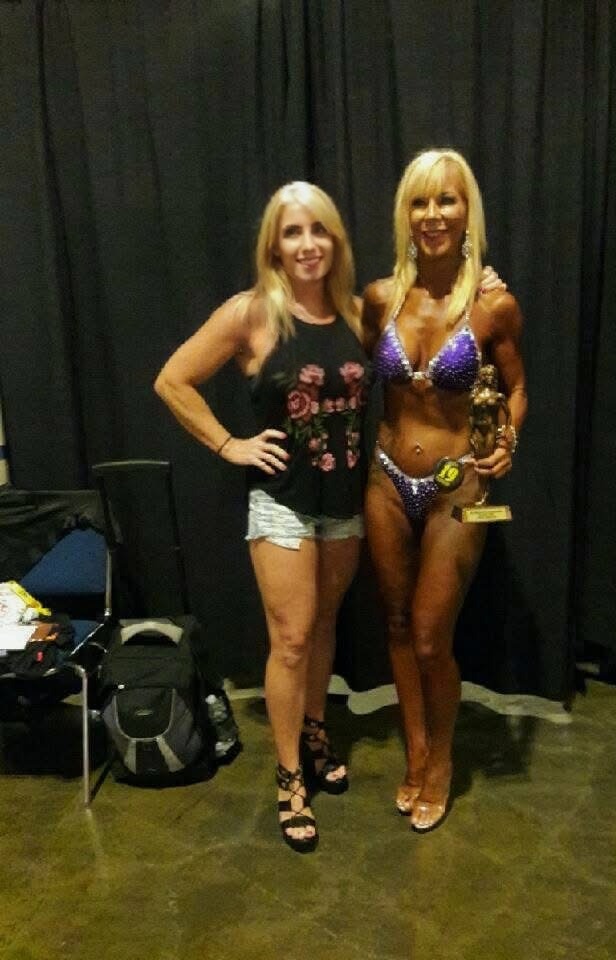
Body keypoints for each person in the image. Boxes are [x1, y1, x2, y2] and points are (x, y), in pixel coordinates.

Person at [154, 182, 369, 853]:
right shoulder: (252, 313)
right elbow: (173, 379)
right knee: (292, 640)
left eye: (318, 230)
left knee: (325, 626)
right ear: (273, 245)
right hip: (281, 503)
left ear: (335, 240)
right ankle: (288, 774)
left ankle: (315, 730)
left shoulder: (357, 312)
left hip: (345, 504)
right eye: (292, 232)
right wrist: (229, 444)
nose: (307, 244)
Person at [361, 148, 527, 833]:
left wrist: (506, 439)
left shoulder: (492, 305)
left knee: (432, 638)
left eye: (447, 200)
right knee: (398, 627)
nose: (433, 215)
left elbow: (517, 388)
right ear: (405, 214)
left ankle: (443, 760)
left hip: (458, 484)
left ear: (467, 212)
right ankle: (417, 750)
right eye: (420, 201)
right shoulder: (380, 299)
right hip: (385, 479)